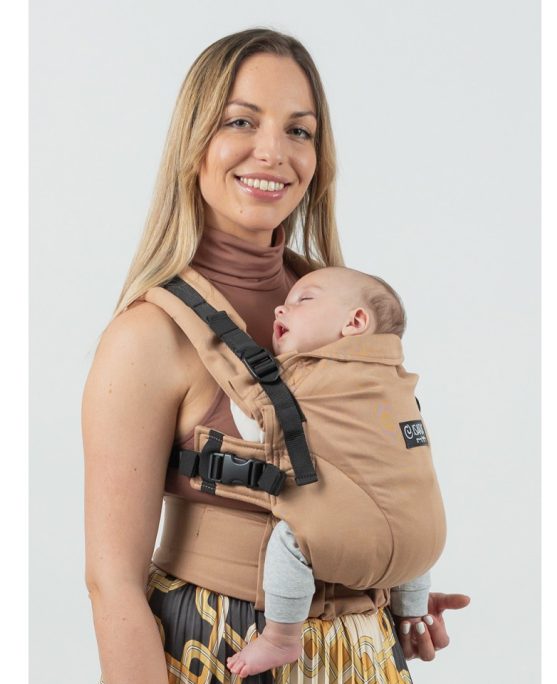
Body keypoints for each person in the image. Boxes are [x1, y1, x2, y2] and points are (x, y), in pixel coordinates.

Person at [83, 28, 470, 684]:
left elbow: (370, 474)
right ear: (195, 141)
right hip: (218, 652)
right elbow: (111, 584)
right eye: (241, 121)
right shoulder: (148, 336)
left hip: (366, 651)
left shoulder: (340, 308)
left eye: (299, 130)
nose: (274, 151)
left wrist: (385, 584)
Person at [226, 266, 434, 677]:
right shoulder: (397, 383)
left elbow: (256, 428)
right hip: (425, 544)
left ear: (354, 322)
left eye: (304, 299)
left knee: (291, 541)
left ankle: (280, 639)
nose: (281, 308)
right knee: (408, 513)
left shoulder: (305, 377)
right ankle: (413, 612)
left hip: (349, 541)